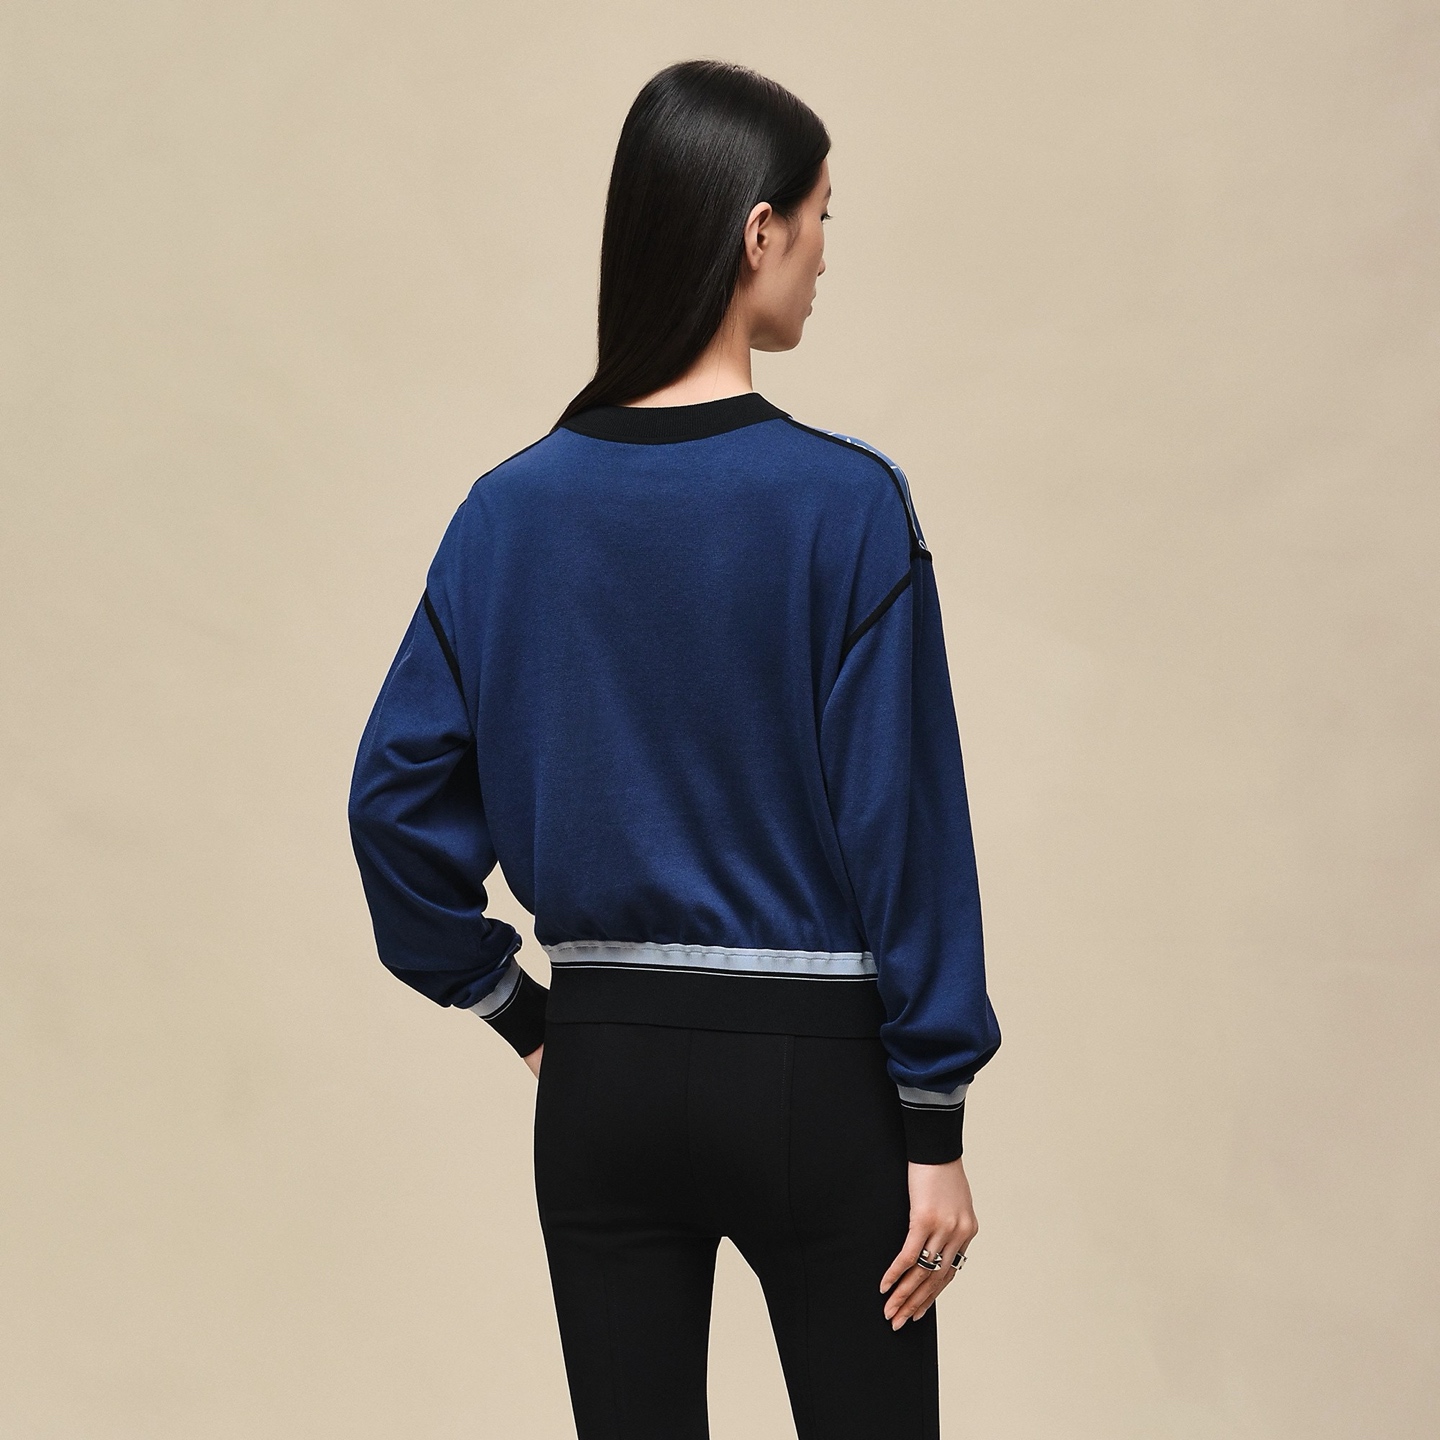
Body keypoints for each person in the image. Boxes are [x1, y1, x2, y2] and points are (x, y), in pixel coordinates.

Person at [347, 58, 1001, 1440]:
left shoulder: (503, 514)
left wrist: (521, 1012)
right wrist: (934, 1121)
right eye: (820, 219)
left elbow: (393, 804)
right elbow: (905, 821)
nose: (824, 255)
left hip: (604, 1076)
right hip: (816, 1080)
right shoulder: (846, 505)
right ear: (758, 231)